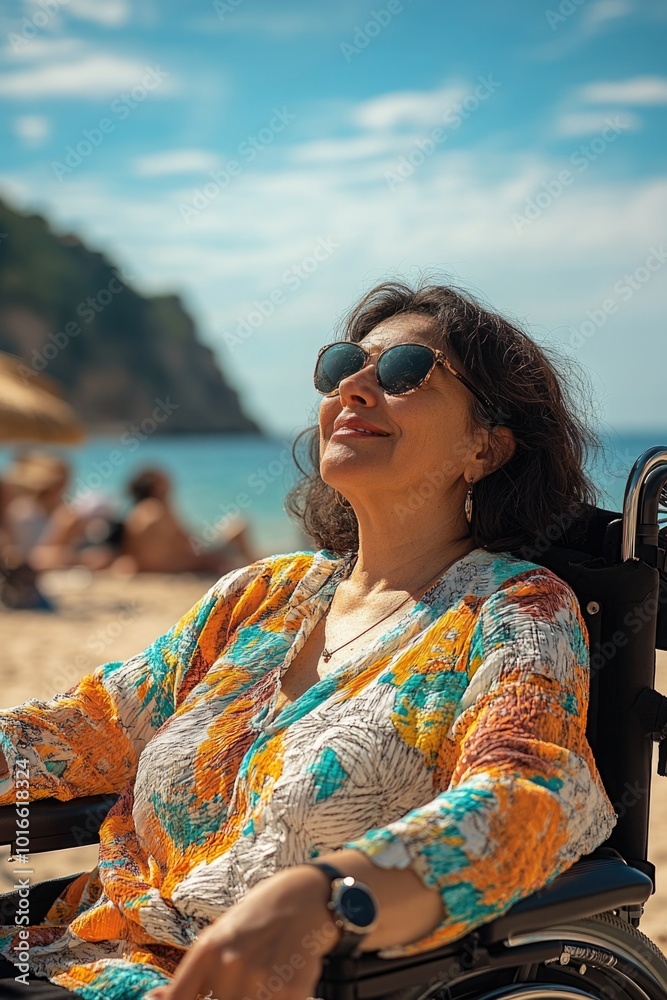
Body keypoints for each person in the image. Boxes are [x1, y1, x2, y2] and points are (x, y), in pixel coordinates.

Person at [0, 280, 616, 1000]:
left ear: (485, 447)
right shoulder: (264, 593)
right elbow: (97, 724)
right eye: (342, 367)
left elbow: (528, 796)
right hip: (75, 948)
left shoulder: (512, 610)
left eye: (402, 371)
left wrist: (327, 898)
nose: (353, 388)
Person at [112, 466, 256, 575]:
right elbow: (186, 541)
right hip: (173, 566)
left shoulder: (135, 513)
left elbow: (129, 549)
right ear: (157, 486)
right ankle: (260, 568)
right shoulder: (160, 509)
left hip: (150, 568)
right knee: (238, 526)